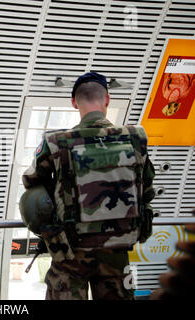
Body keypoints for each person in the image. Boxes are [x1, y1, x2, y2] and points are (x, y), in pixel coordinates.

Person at [20, 72, 156, 300]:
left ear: (74, 102)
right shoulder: (135, 138)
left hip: (71, 252)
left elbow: (32, 185)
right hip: (118, 249)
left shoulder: (56, 141)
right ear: (107, 100)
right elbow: (148, 190)